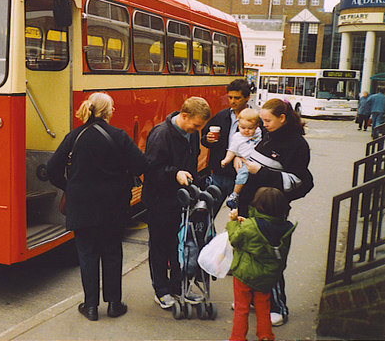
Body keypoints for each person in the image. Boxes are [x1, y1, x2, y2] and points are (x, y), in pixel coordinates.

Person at [46, 92, 148, 321]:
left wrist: (70, 187)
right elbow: (141, 164)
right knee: (112, 252)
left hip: (82, 207)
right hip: (114, 207)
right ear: (107, 111)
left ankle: (90, 306)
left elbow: (52, 169)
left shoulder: (74, 136)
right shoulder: (118, 136)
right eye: (112, 107)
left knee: (87, 255)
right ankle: (114, 304)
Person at [238, 98, 313, 326]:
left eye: (268, 120)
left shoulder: (297, 145)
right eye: (262, 120)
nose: (264, 124)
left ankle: (278, 306)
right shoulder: (269, 136)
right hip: (252, 206)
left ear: (282, 118)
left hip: (272, 211)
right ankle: (253, 299)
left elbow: (301, 182)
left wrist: (260, 172)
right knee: (251, 255)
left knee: (271, 259)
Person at [141, 97, 211, 309]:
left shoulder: (192, 133)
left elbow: (191, 162)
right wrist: (175, 174)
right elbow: (151, 170)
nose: (197, 129)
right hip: (160, 200)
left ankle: (177, 287)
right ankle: (161, 291)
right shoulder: (161, 134)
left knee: (178, 246)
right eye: (196, 125)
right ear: (184, 115)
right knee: (161, 247)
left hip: (181, 199)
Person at [227, 187, 297, 341]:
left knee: (242, 307)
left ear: (258, 205)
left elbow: (235, 239)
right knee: (263, 307)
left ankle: (237, 337)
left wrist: (233, 222)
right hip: (267, 276)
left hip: (245, 274)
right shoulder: (285, 227)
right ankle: (265, 335)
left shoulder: (251, 225)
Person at [202, 79, 258, 209]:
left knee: (239, 215)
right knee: (207, 213)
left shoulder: (255, 120)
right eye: (230, 97)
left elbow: (260, 148)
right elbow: (204, 138)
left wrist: (240, 156)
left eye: (237, 98)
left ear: (247, 97)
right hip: (218, 174)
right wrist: (207, 139)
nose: (232, 101)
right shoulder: (221, 116)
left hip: (241, 178)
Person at [219, 108, 263, 208]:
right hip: (245, 162)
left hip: (258, 161)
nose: (246, 131)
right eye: (243, 128)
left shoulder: (259, 132)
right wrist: (226, 160)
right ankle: (235, 194)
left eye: (250, 128)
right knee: (243, 174)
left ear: (256, 127)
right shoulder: (237, 137)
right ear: (238, 125)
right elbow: (231, 150)